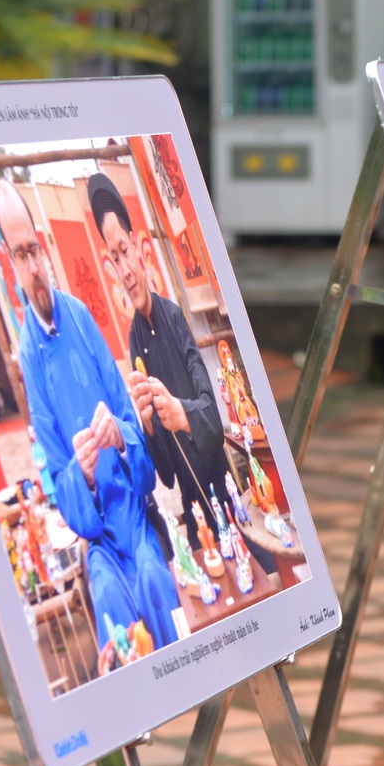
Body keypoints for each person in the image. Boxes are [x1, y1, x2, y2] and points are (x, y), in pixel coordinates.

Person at [0, 179, 181, 656]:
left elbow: (130, 421)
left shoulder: (80, 317)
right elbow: (56, 476)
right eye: (21, 255)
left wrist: (119, 438)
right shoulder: (28, 358)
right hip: (98, 539)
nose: (35, 268)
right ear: (9, 262)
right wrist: (84, 476)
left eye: (36, 250)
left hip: (136, 518)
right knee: (111, 599)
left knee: (156, 579)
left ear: (44, 247)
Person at [88, 173, 228, 556]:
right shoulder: (133, 342)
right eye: (114, 259)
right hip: (196, 522)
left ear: (138, 247)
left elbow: (213, 419)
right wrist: (149, 425)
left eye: (124, 250)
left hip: (226, 501)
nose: (125, 270)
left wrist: (180, 412)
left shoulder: (175, 316)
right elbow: (165, 474)